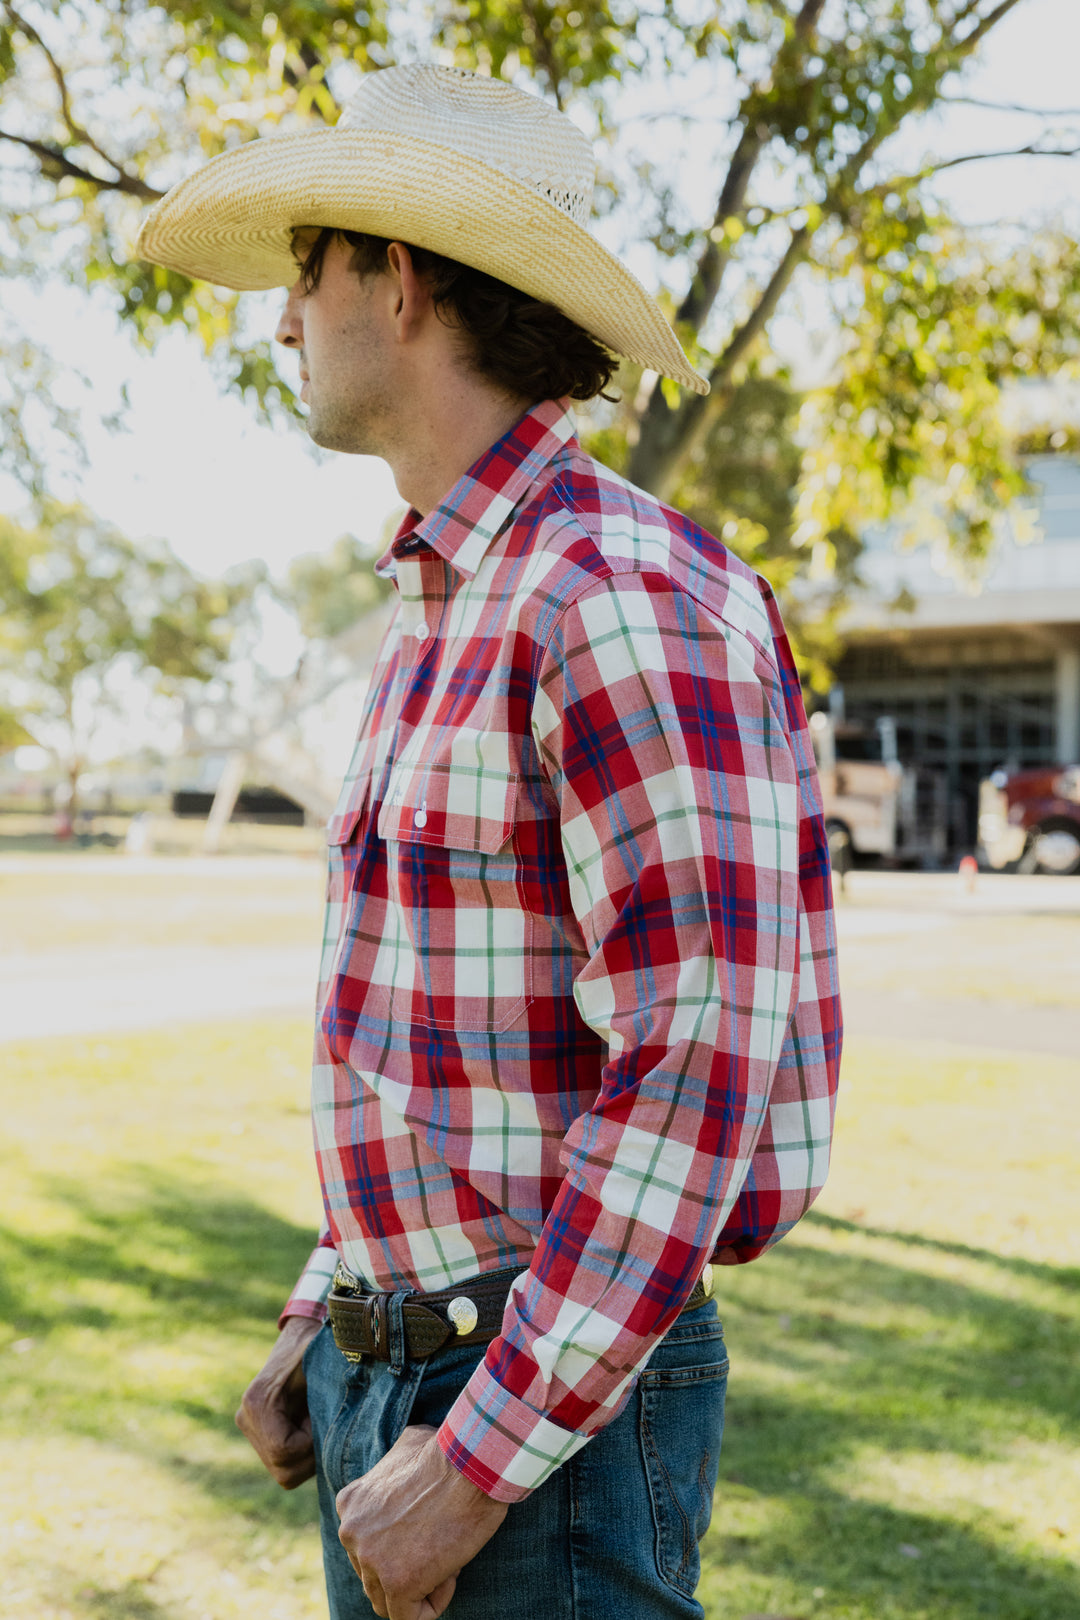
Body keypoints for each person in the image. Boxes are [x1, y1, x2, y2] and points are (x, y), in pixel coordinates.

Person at [137, 63, 841, 1620]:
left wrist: (472, 1463)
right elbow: (438, 1045)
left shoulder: (620, 600)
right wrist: (327, 1313)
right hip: (409, 1385)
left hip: (535, 1427)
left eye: (304, 272)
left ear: (396, 279)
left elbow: (691, 1070)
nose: (280, 321)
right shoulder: (455, 598)